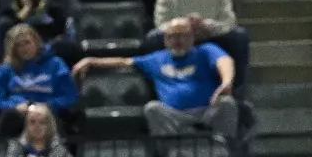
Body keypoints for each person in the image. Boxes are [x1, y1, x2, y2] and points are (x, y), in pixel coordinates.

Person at [75, 16, 237, 141]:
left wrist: (226, 82)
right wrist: (91, 60)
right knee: (152, 108)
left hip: (206, 111)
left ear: (192, 38)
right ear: (165, 39)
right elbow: (124, 61)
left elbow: (224, 61)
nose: (178, 41)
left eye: (183, 36)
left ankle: (225, 153)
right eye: (172, 36)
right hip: (173, 115)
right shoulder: (155, 59)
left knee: (227, 103)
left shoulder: (206, 50)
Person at [150, 0, 246, 84]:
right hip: (177, 36)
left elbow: (228, 23)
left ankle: (236, 87)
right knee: (153, 38)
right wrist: (182, 25)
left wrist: (205, 24)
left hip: (210, 36)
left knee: (239, 36)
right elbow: (160, 23)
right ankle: (156, 89)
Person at [0, 24, 78, 137]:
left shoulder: (56, 64)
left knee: (44, 119)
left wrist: (46, 105)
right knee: (7, 119)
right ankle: (6, 153)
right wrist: (13, 106)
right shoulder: (7, 68)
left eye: (27, 43)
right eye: (19, 45)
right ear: (13, 49)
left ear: (36, 42)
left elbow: (70, 96)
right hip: (17, 115)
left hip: (49, 113)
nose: (24, 48)